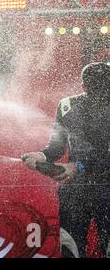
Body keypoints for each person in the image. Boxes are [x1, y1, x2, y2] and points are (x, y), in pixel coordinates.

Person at [22, 62, 110, 258]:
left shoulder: (68, 105)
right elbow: (56, 145)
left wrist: (78, 165)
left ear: (82, 85)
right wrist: (42, 156)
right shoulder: (67, 106)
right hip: (75, 192)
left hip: (102, 188)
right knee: (70, 248)